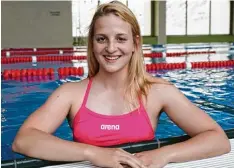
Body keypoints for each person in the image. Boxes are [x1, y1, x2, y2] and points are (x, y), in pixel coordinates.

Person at [12, 1, 230, 168]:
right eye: (101, 39)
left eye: (120, 38)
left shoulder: (158, 92)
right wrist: (92, 153)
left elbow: (218, 139)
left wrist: (164, 154)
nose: (111, 48)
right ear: (92, 43)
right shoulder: (70, 94)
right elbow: (23, 140)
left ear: (135, 44)